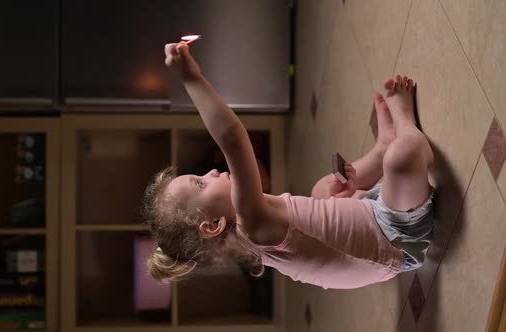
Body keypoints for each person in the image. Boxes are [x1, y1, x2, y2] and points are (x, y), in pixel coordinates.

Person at [142, 42, 435, 289]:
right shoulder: (253, 224)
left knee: (321, 190)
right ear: (213, 226)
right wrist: (191, 78)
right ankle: (405, 126)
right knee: (403, 157)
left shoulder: (253, 224)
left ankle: (381, 150)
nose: (212, 172)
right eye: (201, 183)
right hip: (396, 242)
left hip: (367, 218)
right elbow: (232, 139)